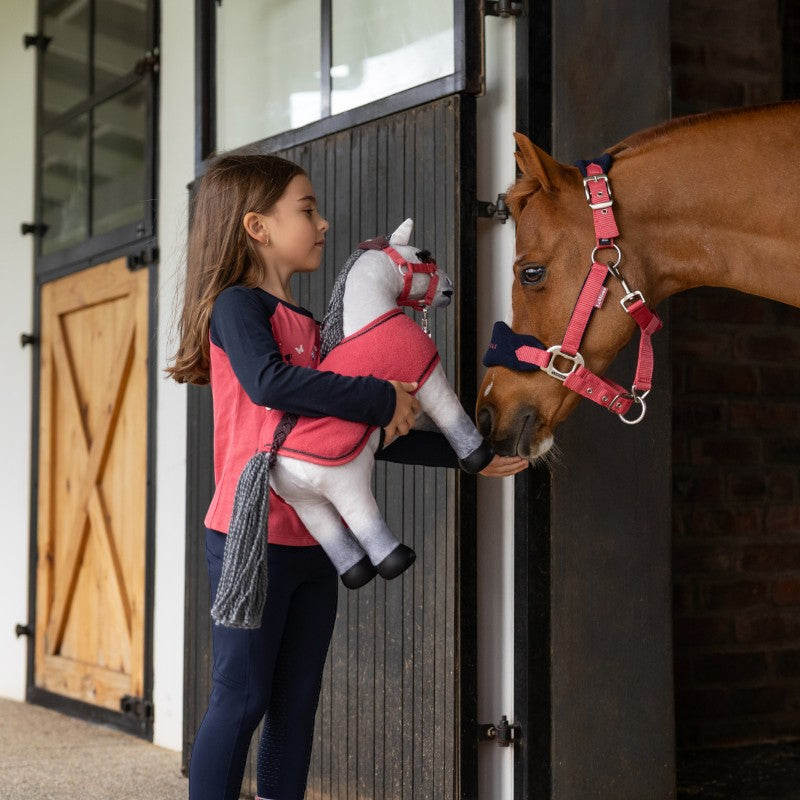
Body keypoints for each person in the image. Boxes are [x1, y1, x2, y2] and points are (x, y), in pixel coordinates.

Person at [167, 152, 528, 800]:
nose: (324, 223)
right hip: (249, 540)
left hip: (314, 546)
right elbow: (270, 384)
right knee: (242, 697)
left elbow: (357, 439)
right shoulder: (236, 309)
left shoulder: (314, 327)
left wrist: (462, 456)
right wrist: (379, 397)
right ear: (256, 225)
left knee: (296, 704)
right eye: (306, 210)